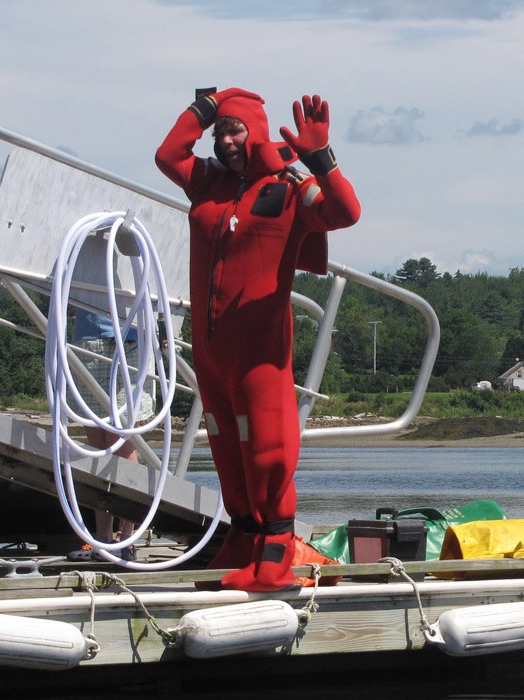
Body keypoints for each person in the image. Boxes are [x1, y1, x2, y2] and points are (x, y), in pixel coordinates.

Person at [155, 88, 360, 591]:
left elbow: (345, 212)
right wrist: (204, 107)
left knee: (266, 449)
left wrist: (320, 157)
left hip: (259, 353)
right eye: (220, 130)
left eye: (235, 129)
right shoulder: (210, 184)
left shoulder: (289, 185)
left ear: (257, 131)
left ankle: (276, 547)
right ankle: (243, 536)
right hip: (212, 352)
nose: (225, 139)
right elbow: (168, 155)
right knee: (226, 448)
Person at [69, 308, 154, 562]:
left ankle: (125, 537)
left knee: (120, 443)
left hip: (128, 337)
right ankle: (103, 537)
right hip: (92, 336)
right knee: (99, 447)